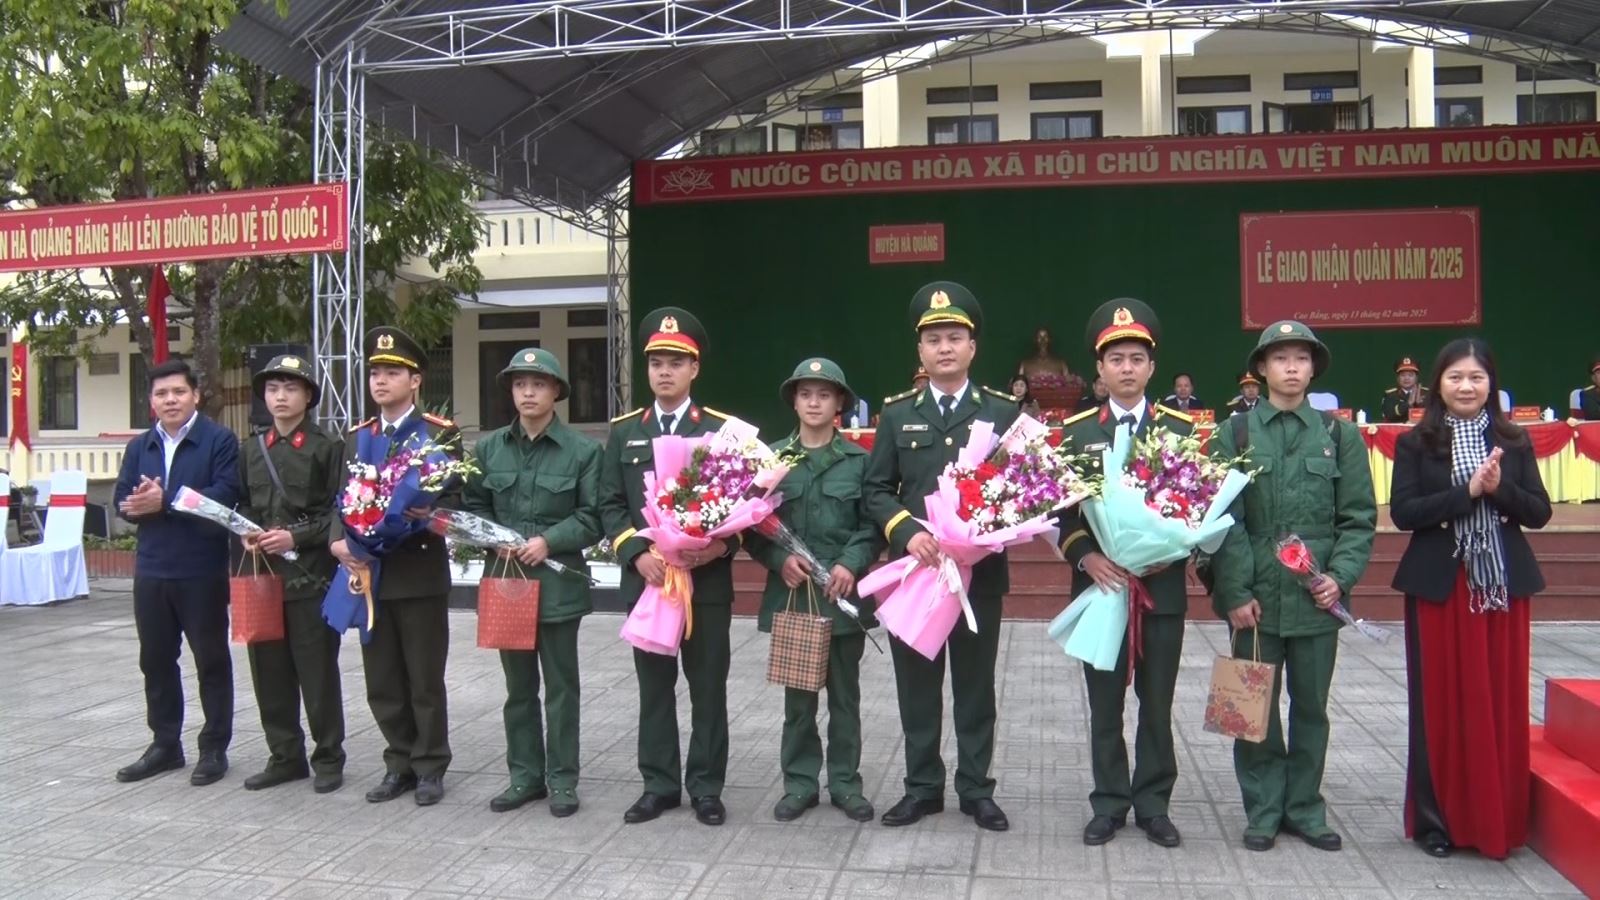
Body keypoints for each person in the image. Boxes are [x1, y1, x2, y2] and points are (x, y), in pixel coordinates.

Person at [1210, 320, 1376, 853]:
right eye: (1279, 358)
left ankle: (1304, 808)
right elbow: (1218, 521)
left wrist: (1340, 579)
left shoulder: (1337, 435)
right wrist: (1233, 592)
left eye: (1300, 359)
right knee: (1247, 709)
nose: (1290, 368)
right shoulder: (1232, 434)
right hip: (1253, 599)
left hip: (1313, 599)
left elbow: (1357, 519)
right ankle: (1262, 810)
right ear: (1260, 368)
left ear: (1313, 368)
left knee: (1311, 710)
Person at [863, 281, 1020, 832]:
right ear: (920, 352)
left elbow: (1024, 489)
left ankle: (977, 790)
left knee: (976, 688)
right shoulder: (896, 413)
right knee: (918, 688)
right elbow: (876, 488)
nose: (944, 348)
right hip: (918, 573)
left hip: (977, 576)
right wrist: (905, 531)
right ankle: (923, 787)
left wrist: (991, 529)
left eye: (955, 337)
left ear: (972, 347)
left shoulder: (1003, 411)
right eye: (934, 340)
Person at [1390, 339, 1551, 860]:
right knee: (1440, 703)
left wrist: (1500, 488)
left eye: (1476, 378)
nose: (1466, 386)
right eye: (1456, 377)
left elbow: (1538, 512)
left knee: (1498, 702)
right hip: (1441, 586)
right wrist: (1469, 493)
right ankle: (1438, 823)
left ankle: (1497, 818)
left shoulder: (1515, 440)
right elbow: (1405, 513)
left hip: (1501, 587)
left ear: (1491, 384)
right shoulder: (1418, 442)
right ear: (1438, 384)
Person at [1054, 299, 1193, 849]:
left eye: (1137, 358)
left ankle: (1154, 803)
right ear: (1101, 370)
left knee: (1157, 704)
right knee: (1105, 703)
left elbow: (1196, 507)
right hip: (1102, 586)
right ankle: (1109, 802)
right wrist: (1087, 556)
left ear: (1152, 367)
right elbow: (1061, 512)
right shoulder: (1076, 431)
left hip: (1161, 590)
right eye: (1117, 359)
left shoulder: (1180, 429)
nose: (1127, 368)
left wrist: (1176, 549)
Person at [601, 307, 739, 827]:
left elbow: (746, 502)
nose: (664, 371)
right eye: (657, 361)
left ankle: (706, 787)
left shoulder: (722, 432)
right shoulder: (623, 433)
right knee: (653, 688)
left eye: (676, 362)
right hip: (651, 583)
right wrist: (635, 552)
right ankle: (658, 785)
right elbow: (609, 504)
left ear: (694, 369)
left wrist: (722, 547)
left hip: (704, 584)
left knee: (708, 689)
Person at [464, 347, 602, 818]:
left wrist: (549, 540)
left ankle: (563, 781)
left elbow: (593, 517)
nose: (528, 392)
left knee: (562, 689)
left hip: (558, 587)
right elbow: (474, 507)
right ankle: (524, 776)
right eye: (520, 384)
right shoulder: (488, 449)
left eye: (538, 384)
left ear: (556, 393)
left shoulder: (583, 450)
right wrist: (492, 539)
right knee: (518, 689)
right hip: (507, 583)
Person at [746, 357, 883, 824]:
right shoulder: (773, 461)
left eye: (824, 394)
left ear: (840, 402)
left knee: (846, 698)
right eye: (806, 394)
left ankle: (845, 784)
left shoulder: (861, 461)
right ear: (794, 401)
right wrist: (778, 559)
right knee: (799, 700)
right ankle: (800, 784)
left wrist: (852, 563)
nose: (814, 402)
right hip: (795, 597)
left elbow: (874, 524)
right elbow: (750, 528)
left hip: (842, 599)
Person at [330, 327, 461, 806]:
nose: (381, 381)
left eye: (392, 373)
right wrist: (336, 541)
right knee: (382, 678)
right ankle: (398, 762)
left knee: (424, 678)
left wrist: (425, 516)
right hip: (369, 573)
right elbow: (337, 500)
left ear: (415, 380)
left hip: (419, 571)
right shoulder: (357, 437)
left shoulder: (437, 435)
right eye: (375, 373)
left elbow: (453, 499)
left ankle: (429, 766)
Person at [112, 359, 240, 786]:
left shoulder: (218, 441)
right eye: (162, 394)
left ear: (195, 395)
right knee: (156, 661)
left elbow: (223, 497)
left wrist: (165, 502)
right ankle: (165, 744)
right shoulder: (140, 447)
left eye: (178, 392)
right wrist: (136, 505)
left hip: (201, 571)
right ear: (151, 401)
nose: (170, 400)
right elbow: (121, 501)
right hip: (151, 571)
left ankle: (214, 748)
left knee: (211, 661)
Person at [236, 354, 346, 793]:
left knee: (317, 672)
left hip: (311, 579)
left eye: (290, 389)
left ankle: (329, 757)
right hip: (263, 580)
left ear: (308, 397)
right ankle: (284, 756)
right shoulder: (251, 448)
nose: (280, 397)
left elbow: (338, 513)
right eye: (272, 389)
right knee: (269, 673)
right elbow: (243, 503)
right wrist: (245, 532)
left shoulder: (327, 448)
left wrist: (295, 538)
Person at [1381, 357, 1430, 423]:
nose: (1406, 378)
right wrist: (1407, 404)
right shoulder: (1390, 395)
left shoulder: (1427, 393)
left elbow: (1434, 415)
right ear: (1398, 378)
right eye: (1403, 375)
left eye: (1410, 375)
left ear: (1416, 378)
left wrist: (1420, 405)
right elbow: (1388, 415)